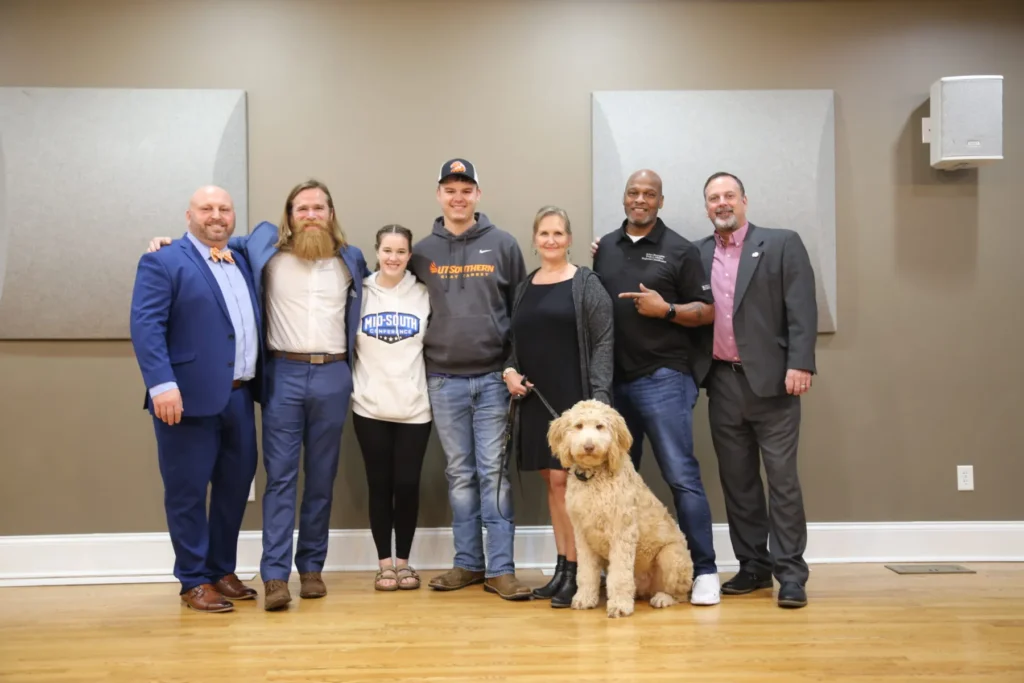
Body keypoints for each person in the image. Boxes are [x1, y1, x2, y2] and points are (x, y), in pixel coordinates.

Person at [147, 179, 368, 611]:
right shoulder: (261, 252)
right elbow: (205, 242)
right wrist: (171, 242)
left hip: (334, 374)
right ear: (288, 216)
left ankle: (312, 569)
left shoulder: (351, 259)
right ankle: (274, 576)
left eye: (318, 208)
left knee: (322, 479)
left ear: (330, 213)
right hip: (282, 374)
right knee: (280, 479)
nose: (309, 215)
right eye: (300, 208)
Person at [591, 169, 722, 606]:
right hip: (614, 386)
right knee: (617, 486)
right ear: (624, 198)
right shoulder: (605, 247)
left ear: (661, 201)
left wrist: (665, 310)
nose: (640, 199)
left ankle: (704, 570)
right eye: (633, 192)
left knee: (681, 477)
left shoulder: (680, 250)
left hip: (663, 379)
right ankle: (623, 577)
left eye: (650, 194)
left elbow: (707, 312)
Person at [130, 185, 261, 613]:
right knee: (186, 492)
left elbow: (269, 232)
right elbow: (146, 325)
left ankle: (221, 569)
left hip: (239, 397)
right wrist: (161, 384)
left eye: (224, 209)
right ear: (188, 216)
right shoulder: (162, 260)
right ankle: (192, 579)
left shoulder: (241, 259)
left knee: (234, 487)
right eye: (207, 208)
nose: (216, 215)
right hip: (183, 399)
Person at [407, 158, 533, 600]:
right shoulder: (420, 251)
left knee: (493, 475)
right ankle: (467, 564)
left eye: (466, 189)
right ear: (439, 194)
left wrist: (513, 365)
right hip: (443, 380)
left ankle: (501, 569)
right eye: (450, 189)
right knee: (460, 474)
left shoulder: (503, 245)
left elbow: (522, 313)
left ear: (478, 194)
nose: (457, 197)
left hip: (495, 380)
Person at [695, 172, 817, 609]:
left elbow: (802, 308)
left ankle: (790, 573)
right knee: (738, 482)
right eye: (714, 198)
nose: (722, 203)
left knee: (782, 481)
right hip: (722, 381)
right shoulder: (698, 253)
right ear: (706, 206)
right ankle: (753, 566)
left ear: (744, 200)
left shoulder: (782, 243)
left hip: (774, 383)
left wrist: (800, 363)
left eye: (729, 195)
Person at [502, 205, 614, 608]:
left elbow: (603, 343)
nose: (551, 240)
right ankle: (563, 569)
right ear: (535, 239)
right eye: (544, 234)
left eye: (558, 234)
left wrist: (598, 402)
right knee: (553, 482)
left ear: (569, 238)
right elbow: (514, 343)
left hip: (577, 397)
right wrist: (510, 371)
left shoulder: (586, 284)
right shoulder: (524, 287)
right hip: (535, 397)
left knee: (569, 484)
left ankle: (583, 572)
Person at [350, 224, 433, 592]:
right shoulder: (359, 294)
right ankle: (384, 564)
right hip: (369, 407)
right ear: (377, 251)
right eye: (387, 250)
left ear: (409, 255)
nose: (393, 257)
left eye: (400, 251)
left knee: (408, 484)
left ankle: (404, 563)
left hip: (415, 408)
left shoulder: (424, 294)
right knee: (379, 484)